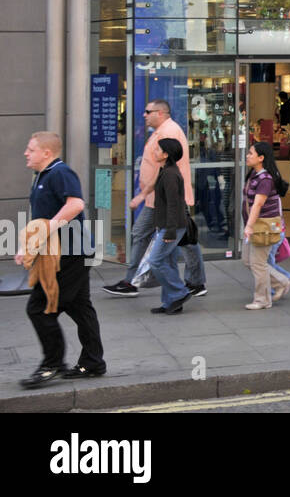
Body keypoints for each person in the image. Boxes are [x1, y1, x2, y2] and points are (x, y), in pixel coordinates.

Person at [18, 131, 106, 389]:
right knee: (80, 307)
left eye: (30, 149)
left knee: (40, 308)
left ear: (46, 153)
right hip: (60, 252)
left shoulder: (59, 172)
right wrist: (29, 245)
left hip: (69, 254)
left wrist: (47, 229)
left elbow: (76, 204)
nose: (26, 152)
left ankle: (52, 364)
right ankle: (92, 362)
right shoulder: (42, 176)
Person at [104, 99, 205, 298]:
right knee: (184, 240)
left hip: (164, 199)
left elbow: (162, 171)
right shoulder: (162, 131)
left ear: (160, 113)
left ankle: (133, 282)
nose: (144, 115)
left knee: (148, 235)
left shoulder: (168, 132)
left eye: (148, 111)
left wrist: (141, 196)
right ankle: (194, 282)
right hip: (158, 198)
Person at [242, 141, 290, 309]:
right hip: (255, 225)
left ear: (261, 158)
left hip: (262, 227)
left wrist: (249, 226)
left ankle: (262, 299)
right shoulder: (253, 175)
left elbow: (258, 204)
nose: (247, 156)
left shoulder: (265, 179)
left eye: (251, 153)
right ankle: (281, 281)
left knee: (257, 263)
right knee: (249, 261)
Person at [147, 138, 191, 316]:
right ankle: (170, 302)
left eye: (158, 150)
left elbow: (174, 204)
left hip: (172, 226)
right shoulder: (166, 171)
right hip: (167, 224)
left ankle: (180, 292)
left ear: (166, 154)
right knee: (168, 262)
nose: (155, 152)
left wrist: (170, 230)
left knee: (155, 260)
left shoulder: (170, 174)